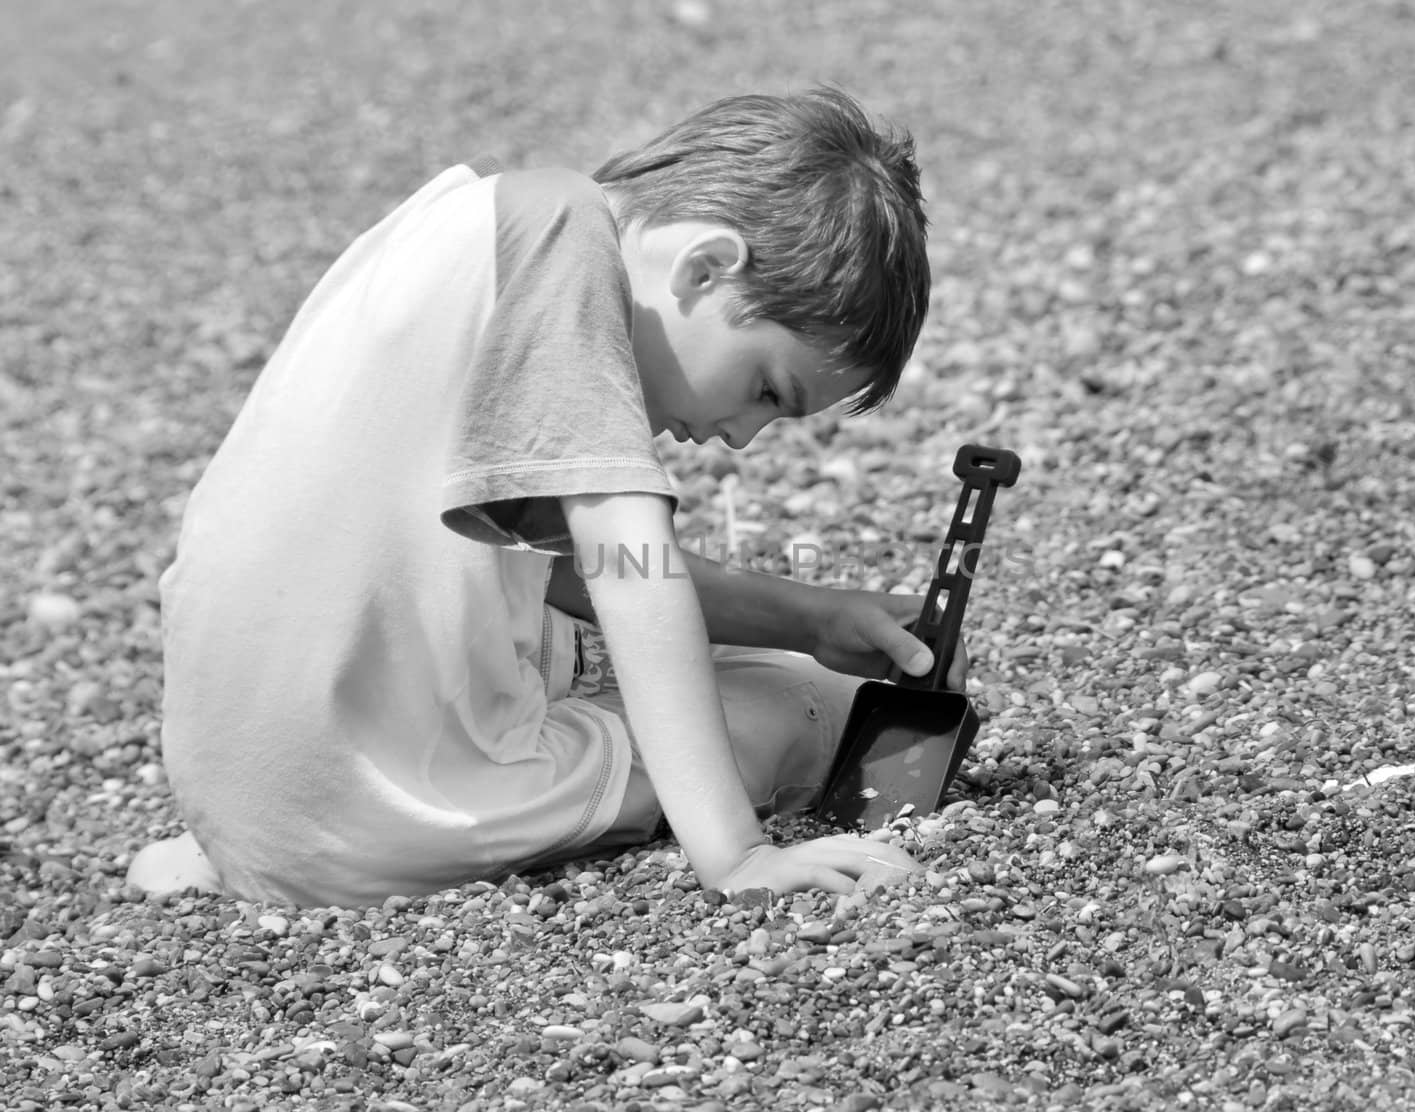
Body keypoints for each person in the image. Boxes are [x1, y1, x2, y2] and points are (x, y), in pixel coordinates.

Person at [128, 87, 963, 907]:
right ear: (704, 269)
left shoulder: (484, 229)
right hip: (360, 815)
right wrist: (736, 854)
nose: (743, 435)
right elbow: (630, 568)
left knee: (651, 650)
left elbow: (556, 567)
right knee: (798, 705)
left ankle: (251, 852)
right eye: (768, 391)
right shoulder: (570, 249)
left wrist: (813, 619)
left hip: (243, 786)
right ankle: (351, 840)